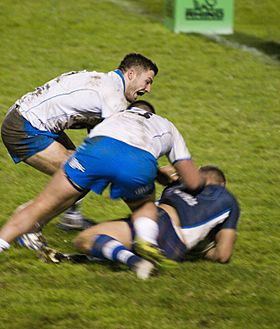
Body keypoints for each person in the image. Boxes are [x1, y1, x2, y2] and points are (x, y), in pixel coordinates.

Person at [0, 101, 205, 258]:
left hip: (95, 153)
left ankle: (2, 242)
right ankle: (147, 241)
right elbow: (193, 182)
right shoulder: (166, 125)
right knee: (144, 206)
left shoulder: (113, 116)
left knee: (40, 205)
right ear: (152, 114)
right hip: (138, 164)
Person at [1, 53, 158, 231]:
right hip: (24, 127)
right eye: (147, 81)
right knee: (79, 176)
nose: (148, 89)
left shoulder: (103, 81)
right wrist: (152, 175)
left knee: (82, 170)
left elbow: (98, 140)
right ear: (130, 74)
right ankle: (29, 225)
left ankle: (67, 217)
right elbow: (117, 147)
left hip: (28, 117)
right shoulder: (114, 98)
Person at [72, 165, 240, 279]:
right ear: (222, 184)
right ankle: (131, 258)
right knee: (118, 240)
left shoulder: (178, 185)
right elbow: (223, 255)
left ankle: (134, 262)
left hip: (159, 221)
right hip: (175, 249)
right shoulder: (228, 199)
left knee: (85, 239)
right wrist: (202, 251)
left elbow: (161, 175)